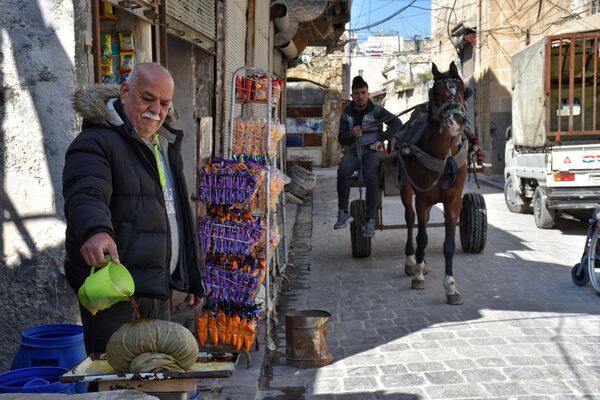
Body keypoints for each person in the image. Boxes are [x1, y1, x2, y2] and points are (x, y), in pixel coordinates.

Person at [62, 63, 204, 354]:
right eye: (147, 98)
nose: (156, 109)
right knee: (115, 385)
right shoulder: (95, 142)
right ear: (125, 92)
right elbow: (86, 190)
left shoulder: (162, 145)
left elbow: (176, 215)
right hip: (115, 294)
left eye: (164, 103)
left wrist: (192, 275)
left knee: (155, 382)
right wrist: (95, 231)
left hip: (158, 290)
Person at [334, 76, 403, 237]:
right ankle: (343, 212)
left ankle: (370, 220)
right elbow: (341, 138)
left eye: (363, 93)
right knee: (343, 170)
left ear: (368, 93)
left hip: (373, 152)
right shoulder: (347, 114)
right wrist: (351, 134)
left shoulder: (377, 110)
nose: (360, 96)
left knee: (372, 176)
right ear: (352, 95)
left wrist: (381, 139)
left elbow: (397, 123)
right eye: (357, 93)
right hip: (353, 150)